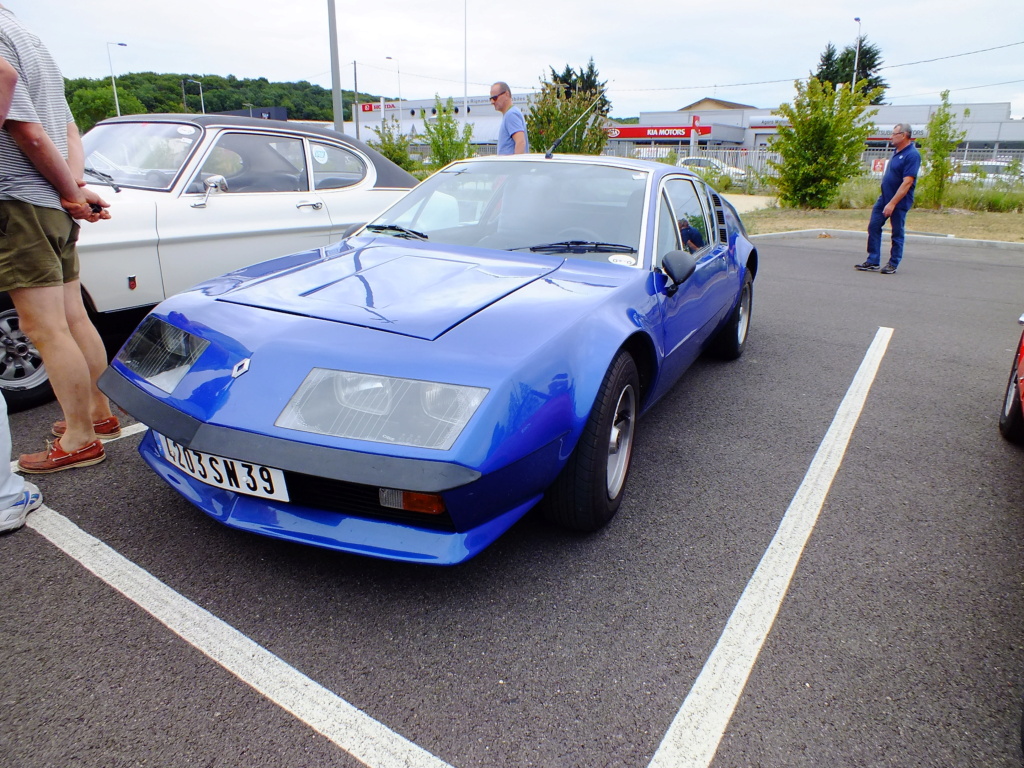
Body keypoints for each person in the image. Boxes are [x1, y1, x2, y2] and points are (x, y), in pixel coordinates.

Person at [0, 4, 117, 475]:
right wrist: (71, 189)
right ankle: (99, 415)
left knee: (43, 327)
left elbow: (25, 130)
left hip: (18, 199)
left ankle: (79, 438)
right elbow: (67, 128)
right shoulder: (27, 36)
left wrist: (70, 193)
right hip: (49, 200)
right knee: (72, 316)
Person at [0, 54, 42, 531]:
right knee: (54, 323)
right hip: (37, 194)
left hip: (25, 197)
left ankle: (85, 430)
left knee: (48, 325)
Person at [855, 123, 921, 275]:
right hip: (884, 198)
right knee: (873, 226)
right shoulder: (895, 152)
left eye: (894, 134)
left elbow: (908, 182)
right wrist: (886, 199)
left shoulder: (912, 155)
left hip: (899, 201)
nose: (891, 137)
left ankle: (893, 263)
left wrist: (892, 203)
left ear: (904, 135)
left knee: (897, 232)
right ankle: (873, 260)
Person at [490, 81, 528, 155]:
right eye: (491, 99)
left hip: (510, 166)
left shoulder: (511, 115)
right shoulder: (510, 114)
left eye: (495, 98)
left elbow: (520, 142)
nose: (492, 102)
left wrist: (514, 165)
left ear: (506, 94)